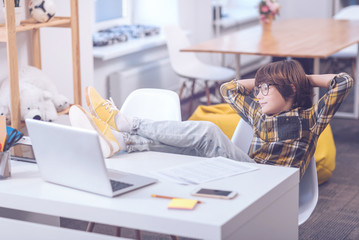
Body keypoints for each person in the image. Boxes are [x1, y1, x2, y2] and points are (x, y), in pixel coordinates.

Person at [69, 60, 353, 178]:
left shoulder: (311, 118)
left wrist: (301, 78)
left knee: (208, 132)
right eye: (260, 87)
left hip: (275, 181)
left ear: (291, 89)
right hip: (249, 173)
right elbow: (227, 89)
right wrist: (263, 80)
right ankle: (122, 140)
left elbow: (343, 81)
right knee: (195, 146)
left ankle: (126, 123)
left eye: (268, 88)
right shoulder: (257, 112)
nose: (261, 93)